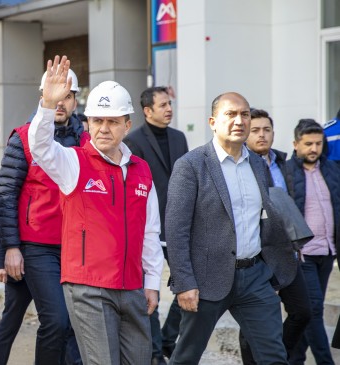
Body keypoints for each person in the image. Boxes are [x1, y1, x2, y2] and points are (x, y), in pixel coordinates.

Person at [29, 56, 164, 365]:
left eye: (113, 121)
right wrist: (47, 104)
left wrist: (152, 283)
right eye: (97, 120)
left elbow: (150, 232)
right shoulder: (73, 162)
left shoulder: (142, 170)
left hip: (132, 286)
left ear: (127, 125)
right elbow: (39, 147)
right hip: (88, 288)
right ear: (87, 122)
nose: (104, 128)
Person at [165, 92, 297, 364]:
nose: (239, 120)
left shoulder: (258, 164)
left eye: (245, 114)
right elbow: (176, 230)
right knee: (186, 357)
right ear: (213, 121)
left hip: (255, 278)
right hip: (205, 280)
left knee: (274, 357)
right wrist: (184, 283)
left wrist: (272, 270)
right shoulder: (191, 165)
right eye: (230, 114)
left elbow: (264, 219)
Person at [0, 65, 87, 365]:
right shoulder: (23, 138)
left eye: (67, 96)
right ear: (42, 95)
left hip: (72, 248)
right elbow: (3, 196)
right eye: (53, 94)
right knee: (55, 320)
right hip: (35, 247)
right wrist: (8, 250)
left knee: (63, 322)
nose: (60, 101)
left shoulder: (88, 142)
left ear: (75, 100)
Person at [240, 108, 311, 363]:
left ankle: (275, 356)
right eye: (256, 130)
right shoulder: (242, 167)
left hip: (287, 253)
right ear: (246, 133)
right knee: (254, 320)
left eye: (267, 130)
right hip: (258, 256)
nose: (262, 135)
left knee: (303, 312)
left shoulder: (284, 163)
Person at [123, 86, 188, 364]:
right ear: (147, 111)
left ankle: (168, 337)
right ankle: (153, 352)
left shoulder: (179, 137)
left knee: (189, 283)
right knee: (149, 289)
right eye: (163, 105)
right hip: (148, 227)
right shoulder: (134, 140)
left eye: (169, 103)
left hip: (179, 224)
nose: (169, 109)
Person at [284, 119, 340, 364]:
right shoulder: (285, 172)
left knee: (308, 315)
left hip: (328, 252)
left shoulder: (332, 169)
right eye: (308, 144)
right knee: (314, 310)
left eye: (318, 143)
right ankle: (325, 361)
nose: (314, 149)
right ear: (296, 144)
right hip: (302, 254)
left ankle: (294, 359)